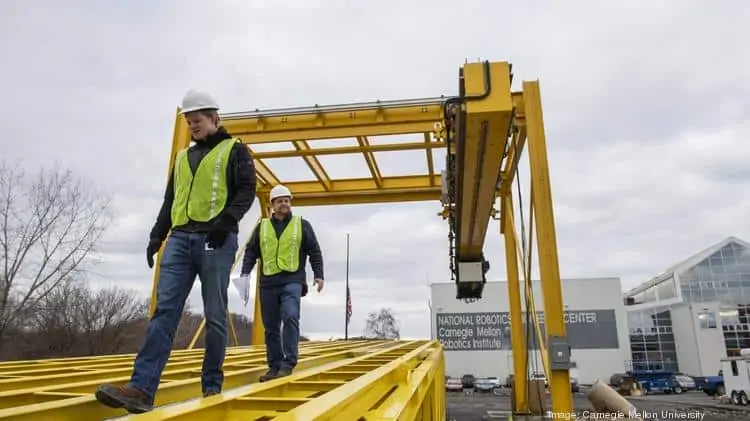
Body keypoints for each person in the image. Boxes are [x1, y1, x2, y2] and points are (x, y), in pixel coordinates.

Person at [93, 90, 257, 414]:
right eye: (189, 123)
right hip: (181, 238)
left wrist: (225, 222)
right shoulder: (183, 158)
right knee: (164, 311)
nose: (193, 127)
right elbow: (170, 200)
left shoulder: (235, 151)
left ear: (214, 118)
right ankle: (141, 388)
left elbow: (246, 191)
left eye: (197, 121)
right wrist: (157, 236)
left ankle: (212, 388)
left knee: (214, 313)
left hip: (215, 239)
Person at [239, 184, 324, 382]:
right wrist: (244, 274)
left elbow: (314, 251)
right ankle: (274, 366)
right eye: (280, 201)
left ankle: (288, 363)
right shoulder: (263, 227)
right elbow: (251, 251)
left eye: (287, 200)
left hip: (292, 280)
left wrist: (318, 274)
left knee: (291, 316)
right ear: (272, 205)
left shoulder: (302, 225)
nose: (284, 204)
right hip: (268, 282)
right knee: (270, 327)